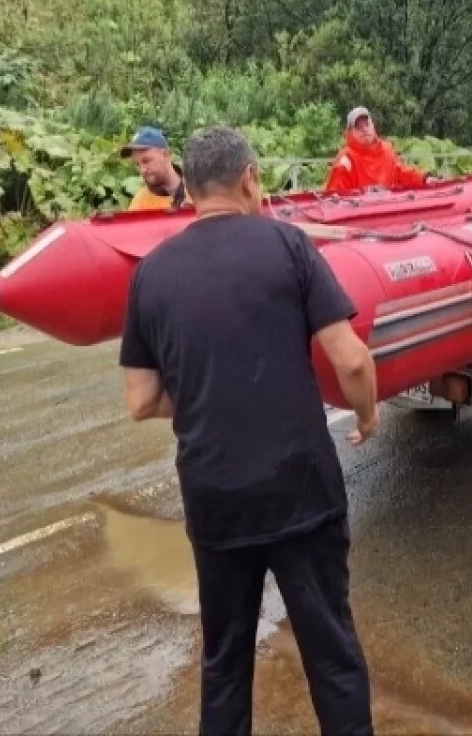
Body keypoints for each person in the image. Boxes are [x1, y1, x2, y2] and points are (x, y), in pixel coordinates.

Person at [119, 125, 377, 735]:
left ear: (191, 183)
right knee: (331, 653)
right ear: (250, 178)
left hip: (216, 502)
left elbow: (140, 400)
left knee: (226, 661)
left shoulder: (151, 273)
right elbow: (352, 359)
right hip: (302, 492)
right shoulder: (289, 245)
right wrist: (367, 415)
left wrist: (212, 396)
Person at [323, 107, 432, 194]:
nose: (365, 130)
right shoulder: (345, 160)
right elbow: (333, 197)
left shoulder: (387, 150)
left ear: (373, 126)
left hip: (385, 210)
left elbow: (401, 173)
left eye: (367, 124)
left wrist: (424, 178)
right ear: (350, 132)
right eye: (358, 127)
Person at [120, 126, 189, 211]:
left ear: (166, 154)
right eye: (137, 164)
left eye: (146, 161)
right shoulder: (140, 203)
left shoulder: (198, 191)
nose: (142, 170)